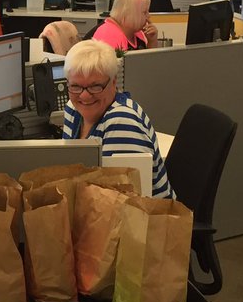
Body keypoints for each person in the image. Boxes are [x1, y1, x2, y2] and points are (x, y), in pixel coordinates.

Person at [60, 40, 174, 200]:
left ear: (113, 82)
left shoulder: (122, 121)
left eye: (95, 86)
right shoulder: (73, 109)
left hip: (141, 214)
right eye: (76, 86)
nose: (84, 96)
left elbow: (125, 203)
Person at [92, 0, 158, 52]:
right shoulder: (108, 35)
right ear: (130, 13)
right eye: (144, 12)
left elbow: (150, 59)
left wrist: (152, 41)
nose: (148, 16)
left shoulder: (136, 31)